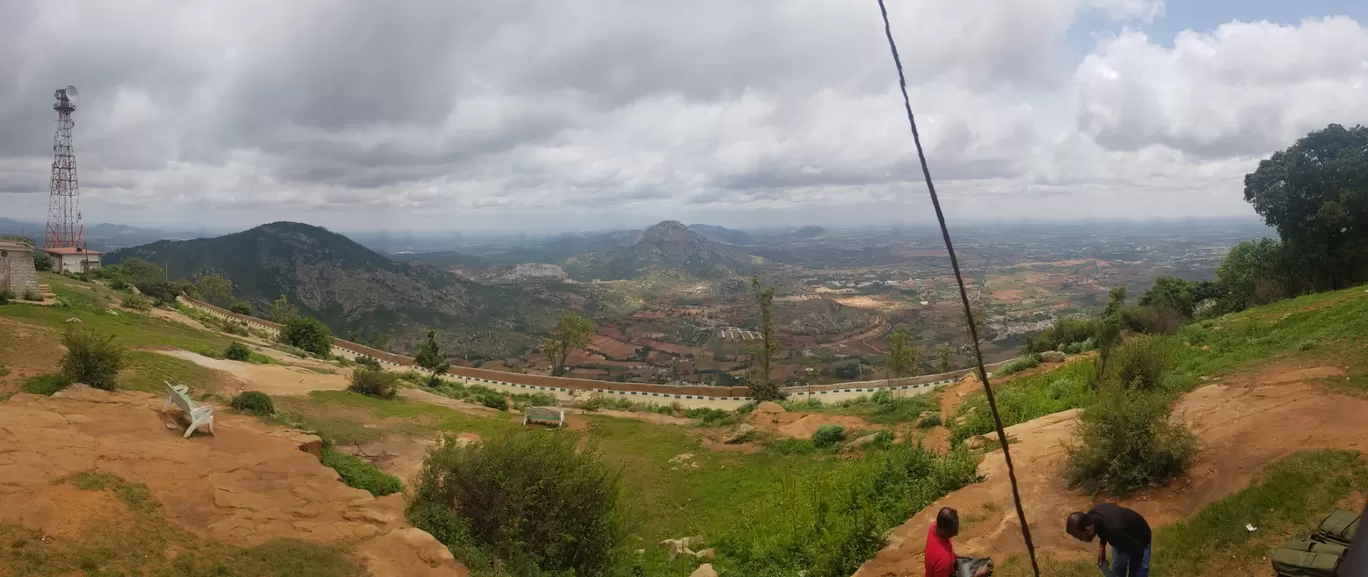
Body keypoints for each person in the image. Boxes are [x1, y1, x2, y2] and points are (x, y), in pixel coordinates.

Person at [1066, 504, 1152, 577]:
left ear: (1088, 530)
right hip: (1122, 537)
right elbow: (1102, 527)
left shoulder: (1115, 532)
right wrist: (1101, 548)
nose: (1081, 540)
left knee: (1139, 571)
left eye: (1080, 536)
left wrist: (1133, 575)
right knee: (1118, 567)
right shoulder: (1091, 517)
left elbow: (1138, 551)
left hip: (1140, 539)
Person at [925, 507, 992, 577]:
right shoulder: (943, 560)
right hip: (947, 572)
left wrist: (961, 558)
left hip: (949, 566)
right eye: (954, 532)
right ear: (944, 530)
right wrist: (977, 575)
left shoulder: (935, 526)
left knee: (983, 563)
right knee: (982, 572)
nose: (956, 534)